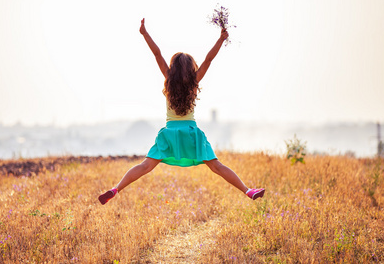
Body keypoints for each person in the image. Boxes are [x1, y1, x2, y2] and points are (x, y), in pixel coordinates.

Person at [98, 19, 265, 205]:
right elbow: (209, 59)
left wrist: (144, 33)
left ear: (174, 68)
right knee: (217, 166)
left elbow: (157, 54)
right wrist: (221, 39)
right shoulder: (194, 82)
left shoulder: (169, 79)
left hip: (170, 134)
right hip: (191, 133)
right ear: (190, 68)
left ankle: (116, 189)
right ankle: (248, 191)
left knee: (145, 166)